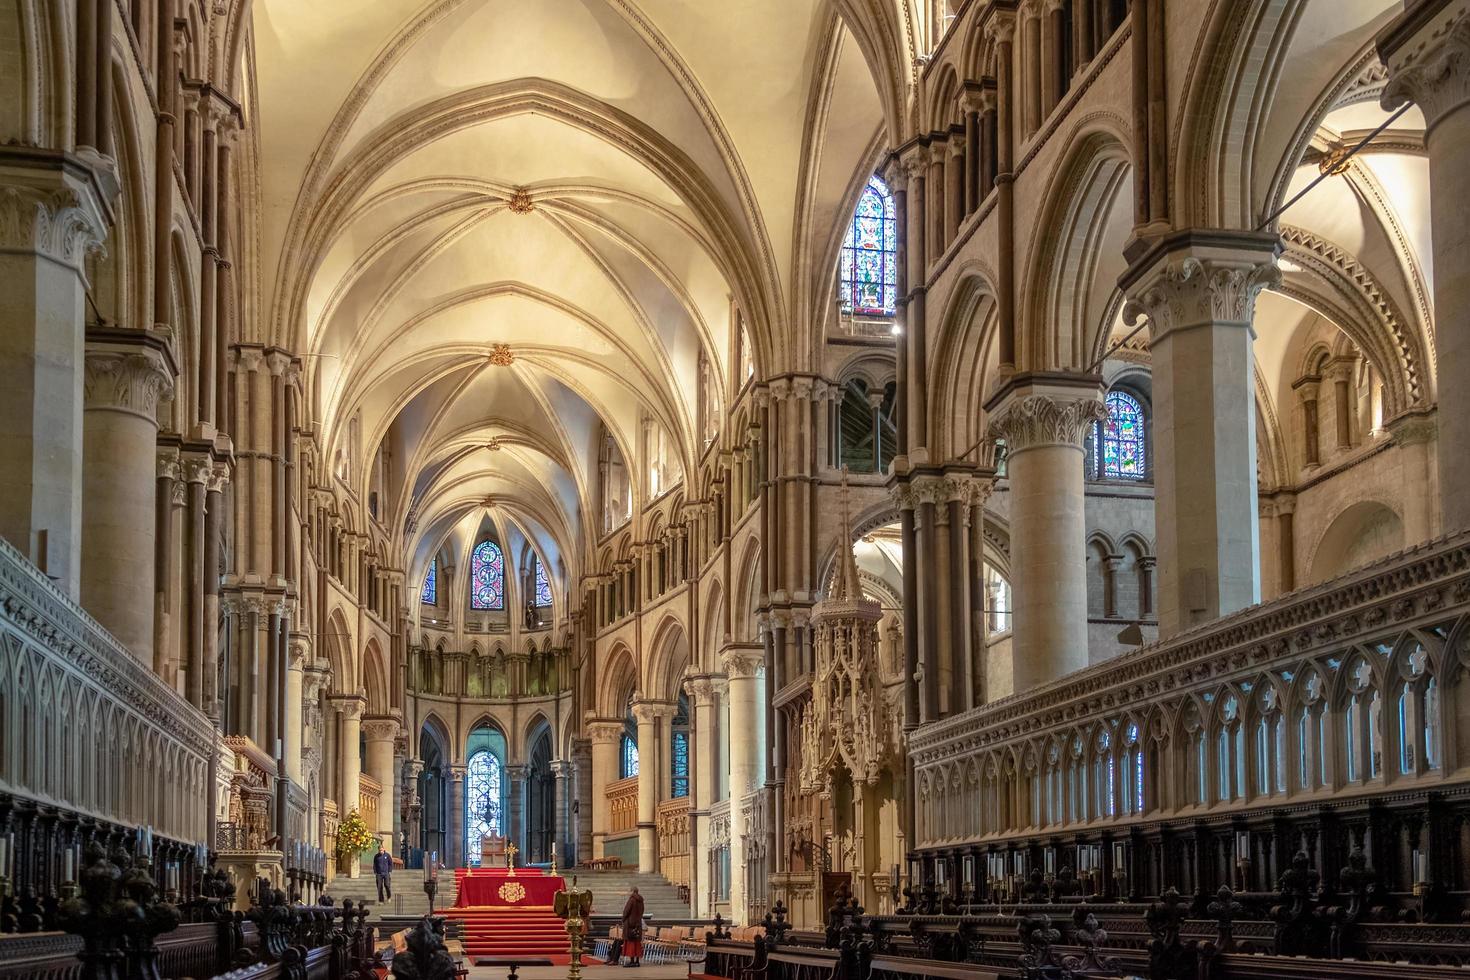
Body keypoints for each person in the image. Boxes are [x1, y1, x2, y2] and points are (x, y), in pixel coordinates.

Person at [620, 886, 645, 967]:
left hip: (630, 924)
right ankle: (637, 961)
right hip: (638, 924)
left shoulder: (631, 900)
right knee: (637, 943)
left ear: (632, 891)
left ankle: (632, 961)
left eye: (629, 891)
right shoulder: (641, 901)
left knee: (631, 943)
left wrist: (623, 919)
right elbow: (642, 912)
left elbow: (626, 911)